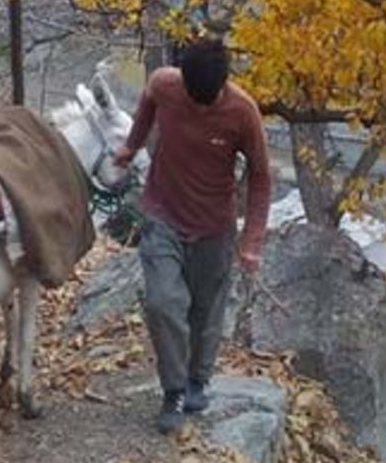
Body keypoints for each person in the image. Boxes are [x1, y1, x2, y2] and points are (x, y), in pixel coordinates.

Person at [110, 35, 271, 433]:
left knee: (205, 311)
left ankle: (199, 378)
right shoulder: (165, 83)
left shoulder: (243, 112)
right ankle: (175, 391)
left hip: (214, 225)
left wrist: (251, 240)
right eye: (194, 97)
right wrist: (132, 145)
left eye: (209, 99)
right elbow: (146, 103)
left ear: (223, 84)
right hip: (163, 213)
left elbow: (261, 176)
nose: (201, 105)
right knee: (165, 303)